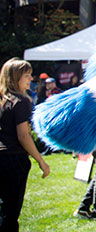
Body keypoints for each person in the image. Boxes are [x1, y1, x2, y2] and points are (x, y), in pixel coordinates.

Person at [0, 58, 51, 232]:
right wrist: (41, 161)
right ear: (15, 78)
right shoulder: (21, 101)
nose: (31, 79)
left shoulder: (3, 100)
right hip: (14, 159)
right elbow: (23, 135)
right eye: (27, 76)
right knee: (11, 213)